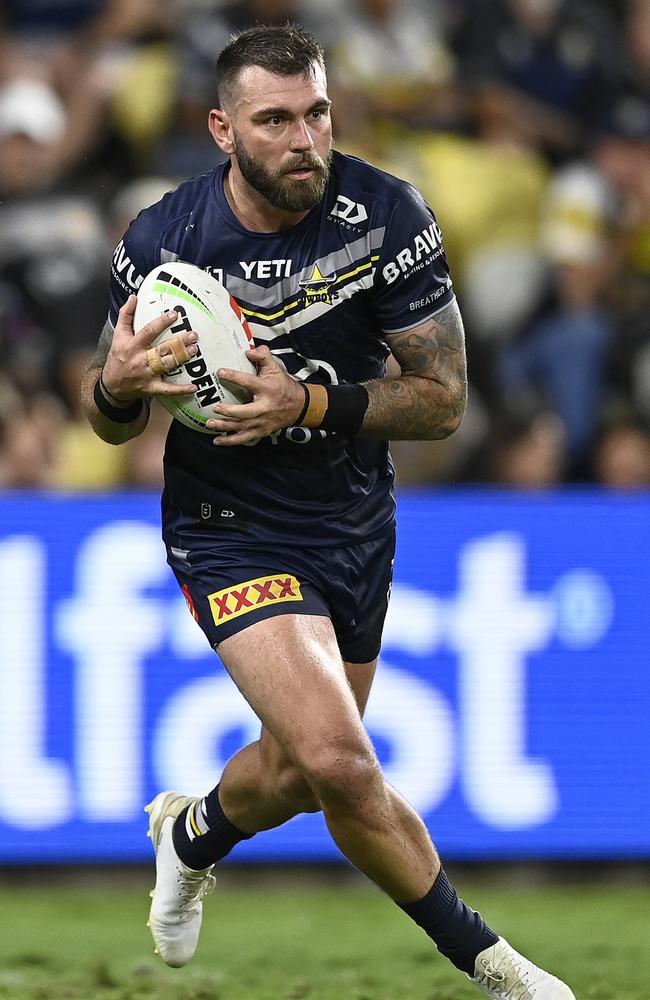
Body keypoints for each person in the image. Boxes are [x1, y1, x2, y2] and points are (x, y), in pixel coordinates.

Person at [80, 24, 575, 999]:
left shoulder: (384, 215)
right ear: (221, 128)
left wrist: (304, 402)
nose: (302, 138)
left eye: (315, 112)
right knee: (344, 760)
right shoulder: (160, 243)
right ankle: (496, 966)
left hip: (351, 515)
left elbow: (440, 400)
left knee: (303, 771)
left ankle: (191, 833)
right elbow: (107, 422)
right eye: (273, 120)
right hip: (225, 522)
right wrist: (113, 383)